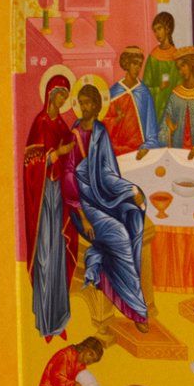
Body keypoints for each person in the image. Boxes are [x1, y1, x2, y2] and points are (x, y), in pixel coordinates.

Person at [70, 84, 149, 327]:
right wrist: (83, 216)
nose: (84, 107)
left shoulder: (100, 132)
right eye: (81, 102)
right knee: (119, 235)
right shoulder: (74, 134)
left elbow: (107, 173)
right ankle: (136, 309)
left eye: (88, 103)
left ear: (96, 106)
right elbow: (68, 176)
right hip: (83, 204)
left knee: (133, 215)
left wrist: (131, 191)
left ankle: (122, 281)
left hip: (105, 195)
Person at [21, 74, 80, 340]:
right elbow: (30, 163)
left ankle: (59, 320)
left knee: (58, 256)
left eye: (66, 96)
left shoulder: (61, 124)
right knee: (44, 256)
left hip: (59, 199)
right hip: (43, 198)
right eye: (60, 94)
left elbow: (72, 154)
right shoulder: (41, 122)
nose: (62, 99)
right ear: (50, 94)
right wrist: (55, 154)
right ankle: (45, 323)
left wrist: (71, 151)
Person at [161, 50, 194, 151]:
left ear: (191, 65)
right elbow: (166, 121)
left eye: (183, 66)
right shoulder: (175, 94)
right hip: (178, 150)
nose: (181, 71)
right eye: (178, 68)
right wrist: (169, 129)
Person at [105, 48, 153, 155]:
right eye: (134, 63)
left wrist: (147, 146)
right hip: (117, 149)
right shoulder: (114, 91)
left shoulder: (144, 92)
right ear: (126, 64)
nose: (138, 68)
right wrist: (117, 119)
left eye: (140, 65)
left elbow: (151, 126)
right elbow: (105, 121)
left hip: (139, 149)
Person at [143, 12, 182, 136]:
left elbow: (181, 85)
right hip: (155, 109)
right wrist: (159, 88)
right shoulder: (153, 56)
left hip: (172, 110)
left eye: (159, 29)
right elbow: (145, 87)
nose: (157, 34)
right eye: (155, 31)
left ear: (168, 29)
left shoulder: (177, 56)